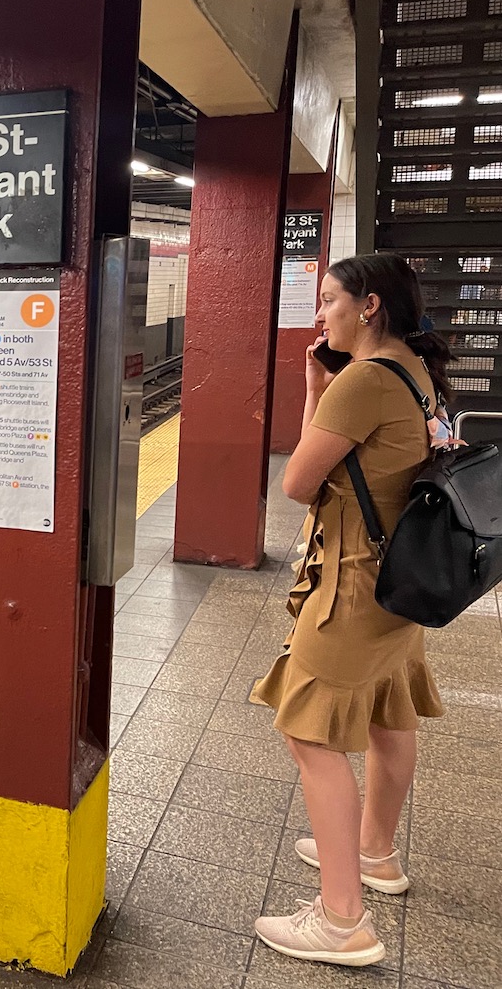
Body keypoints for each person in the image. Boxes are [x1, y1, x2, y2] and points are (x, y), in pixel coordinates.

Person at [249, 253, 450, 966]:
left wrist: (319, 393)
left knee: (310, 737)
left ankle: (342, 921)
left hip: (356, 586)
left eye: (329, 300)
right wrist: (317, 387)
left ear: (368, 306)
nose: (320, 314)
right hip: (402, 579)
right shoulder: (408, 367)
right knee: (389, 711)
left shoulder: (363, 381)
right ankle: (376, 852)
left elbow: (298, 482)